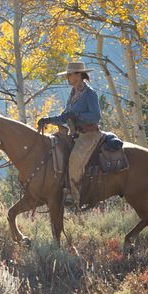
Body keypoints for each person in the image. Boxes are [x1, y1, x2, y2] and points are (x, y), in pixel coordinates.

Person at [38, 62, 102, 207]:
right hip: (76, 134)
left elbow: (96, 116)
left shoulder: (89, 94)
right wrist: (48, 119)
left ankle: (75, 196)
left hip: (89, 134)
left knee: (74, 159)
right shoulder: (73, 93)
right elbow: (66, 116)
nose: (67, 77)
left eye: (69, 74)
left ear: (79, 75)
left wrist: (77, 116)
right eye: (67, 75)